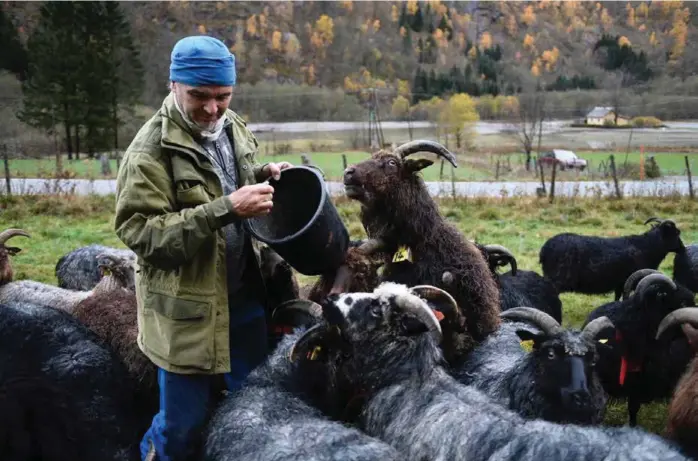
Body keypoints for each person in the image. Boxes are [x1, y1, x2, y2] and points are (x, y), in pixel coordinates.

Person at [113, 35, 292, 461]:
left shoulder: (233, 126)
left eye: (223, 96)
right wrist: (227, 208)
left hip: (244, 301)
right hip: (186, 315)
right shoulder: (149, 152)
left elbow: (234, 174)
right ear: (174, 85)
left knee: (254, 409)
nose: (212, 109)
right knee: (181, 430)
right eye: (200, 96)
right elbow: (144, 234)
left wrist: (263, 172)